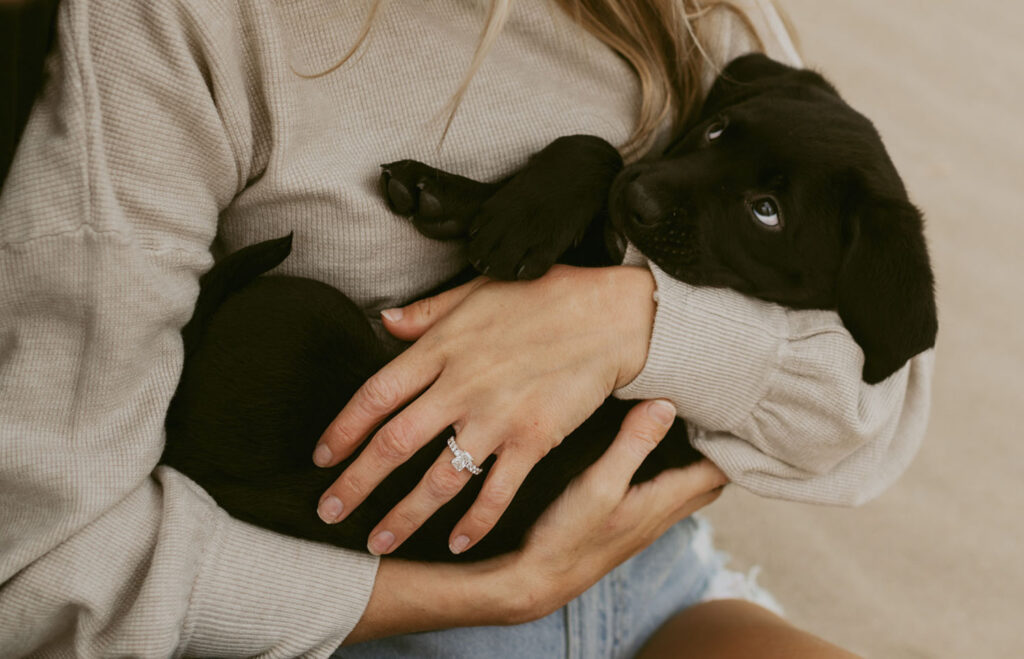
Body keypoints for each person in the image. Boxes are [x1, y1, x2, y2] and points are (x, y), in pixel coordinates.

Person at [0, 0, 933, 657]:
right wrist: (495, 594)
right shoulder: (187, 21)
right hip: (349, 621)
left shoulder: (685, 17)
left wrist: (631, 323)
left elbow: (874, 410)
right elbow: (49, 569)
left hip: (646, 587)